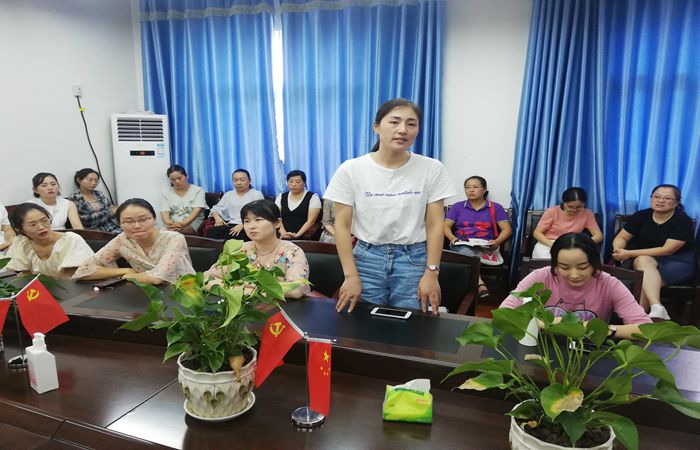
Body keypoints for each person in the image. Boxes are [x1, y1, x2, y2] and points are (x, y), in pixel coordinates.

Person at [324, 98, 456, 314]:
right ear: (376, 126)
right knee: (361, 322)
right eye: (394, 122)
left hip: (413, 259)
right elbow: (342, 226)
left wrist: (432, 272)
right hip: (366, 258)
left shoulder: (432, 169)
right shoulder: (351, 169)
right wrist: (350, 275)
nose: (403, 130)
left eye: (411, 124)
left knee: (412, 322)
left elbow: (435, 225)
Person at [500, 233, 651, 339]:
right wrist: (545, 323)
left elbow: (645, 328)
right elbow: (504, 312)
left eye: (583, 267)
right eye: (564, 267)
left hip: (587, 351)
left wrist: (606, 330)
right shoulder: (542, 276)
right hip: (543, 345)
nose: (574, 275)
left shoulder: (609, 283)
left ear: (595, 263)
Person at [612, 184, 695, 320]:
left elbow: (667, 250)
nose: (661, 200)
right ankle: (656, 307)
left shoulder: (683, 221)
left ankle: (637, 321)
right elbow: (622, 237)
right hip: (645, 259)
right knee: (643, 262)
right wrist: (618, 249)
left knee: (643, 278)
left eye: (667, 198)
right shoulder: (641, 216)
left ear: (677, 202)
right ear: (651, 198)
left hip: (677, 261)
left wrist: (629, 254)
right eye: (657, 197)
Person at [73, 198, 195, 285]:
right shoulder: (122, 240)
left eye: (143, 219)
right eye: (128, 221)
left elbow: (156, 278)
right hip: (144, 292)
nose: (136, 226)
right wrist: (125, 271)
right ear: (120, 224)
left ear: (154, 219)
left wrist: (126, 277)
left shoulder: (174, 238)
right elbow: (82, 271)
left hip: (183, 292)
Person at [205, 199, 310, 299]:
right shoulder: (240, 249)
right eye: (247, 221)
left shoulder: (292, 251)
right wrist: (248, 291)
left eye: (258, 220)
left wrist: (242, 289)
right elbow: (206, 279)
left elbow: (296, 290)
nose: (252, 226)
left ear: (277, 223)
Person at [444, 176, 512, 298]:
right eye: (467, 187)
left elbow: (507, 229)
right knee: (465, 251)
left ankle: (470, 289)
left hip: (485, 246)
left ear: (484, 189)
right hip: (462, 243)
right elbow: (445, 226)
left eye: (475, 187)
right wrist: (452, 238)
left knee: (468, 254)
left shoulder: (496, 207)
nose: (471, 190)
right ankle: (480, 284)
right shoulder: (457, 207)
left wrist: (497, 242)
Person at [5, 203, 94, 278]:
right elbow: (22, 274)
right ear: (19, 229)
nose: (41, 227)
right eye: (33, 225)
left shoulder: (70, 240)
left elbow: (74, 275)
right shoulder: (21, 242)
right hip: (38, 290)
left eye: (44, 221)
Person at [531, 187, 602, 259]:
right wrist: (554, 245)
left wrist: (583, 244)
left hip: (573, 244)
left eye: (579, 207)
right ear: (563, 203)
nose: (574, 210)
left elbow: (599, 236)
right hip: (549, 243)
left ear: (584, 204)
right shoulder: (552, 212)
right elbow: (537, 233)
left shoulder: (587, 214)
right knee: (548, 262)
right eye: (570, 207)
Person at [208, 169, 265, 240]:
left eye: (242, 180)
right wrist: (217, 218)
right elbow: (215, 209)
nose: (238, 183)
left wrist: (243, 224)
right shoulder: (229, 194)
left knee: (231, 237)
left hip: (249, 225)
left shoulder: (256, 194)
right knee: (212, 232)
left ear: (249, 181)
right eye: (235, 180)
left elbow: (260, 214)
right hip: (230, 224)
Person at [68, 168, 120, 233]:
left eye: (96, 180)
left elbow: (111, 208)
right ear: (79, 180)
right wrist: (110, 212)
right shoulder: (75, 197)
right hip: (95, 233)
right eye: (90, 180)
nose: (94, 183)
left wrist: (111, 211)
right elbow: (86, 220)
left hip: (111, 227)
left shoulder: (98, 194)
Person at [160, 165, 206, 235]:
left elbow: (196, 211)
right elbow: (164, 211)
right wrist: (169, 223)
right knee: (160, 232)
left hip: (193, 222)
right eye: (173, 180)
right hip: (174, 223)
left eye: (179, 178)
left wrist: (184, 223)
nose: (177, 181)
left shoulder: (198, 191)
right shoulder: (167, 193)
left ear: (186, 176)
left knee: (170, 233)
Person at [276, 170, 322, 240]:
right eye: (291, 182)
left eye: (297, 182)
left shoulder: (313, 197)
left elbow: (311, 221)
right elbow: (276, 218)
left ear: (304, 183)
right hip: (282, 236)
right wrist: (283, 233)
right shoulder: (281, 197)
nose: (294, 184)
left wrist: (297, 235)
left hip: (303, 236)